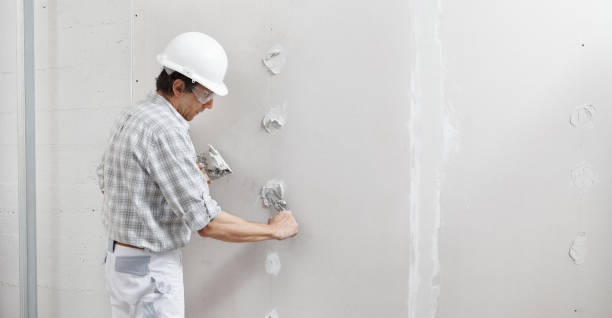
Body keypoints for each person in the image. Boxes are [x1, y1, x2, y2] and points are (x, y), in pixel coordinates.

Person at [95, 32, 299, 318]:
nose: (209, 104)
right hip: (151, 273)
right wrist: (272, 230)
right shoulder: (168, 129)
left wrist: (166, 192)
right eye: (204, 94)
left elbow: (108, 183)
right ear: (178, 87)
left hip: (121, 265)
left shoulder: (132, 115)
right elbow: (207, 224)